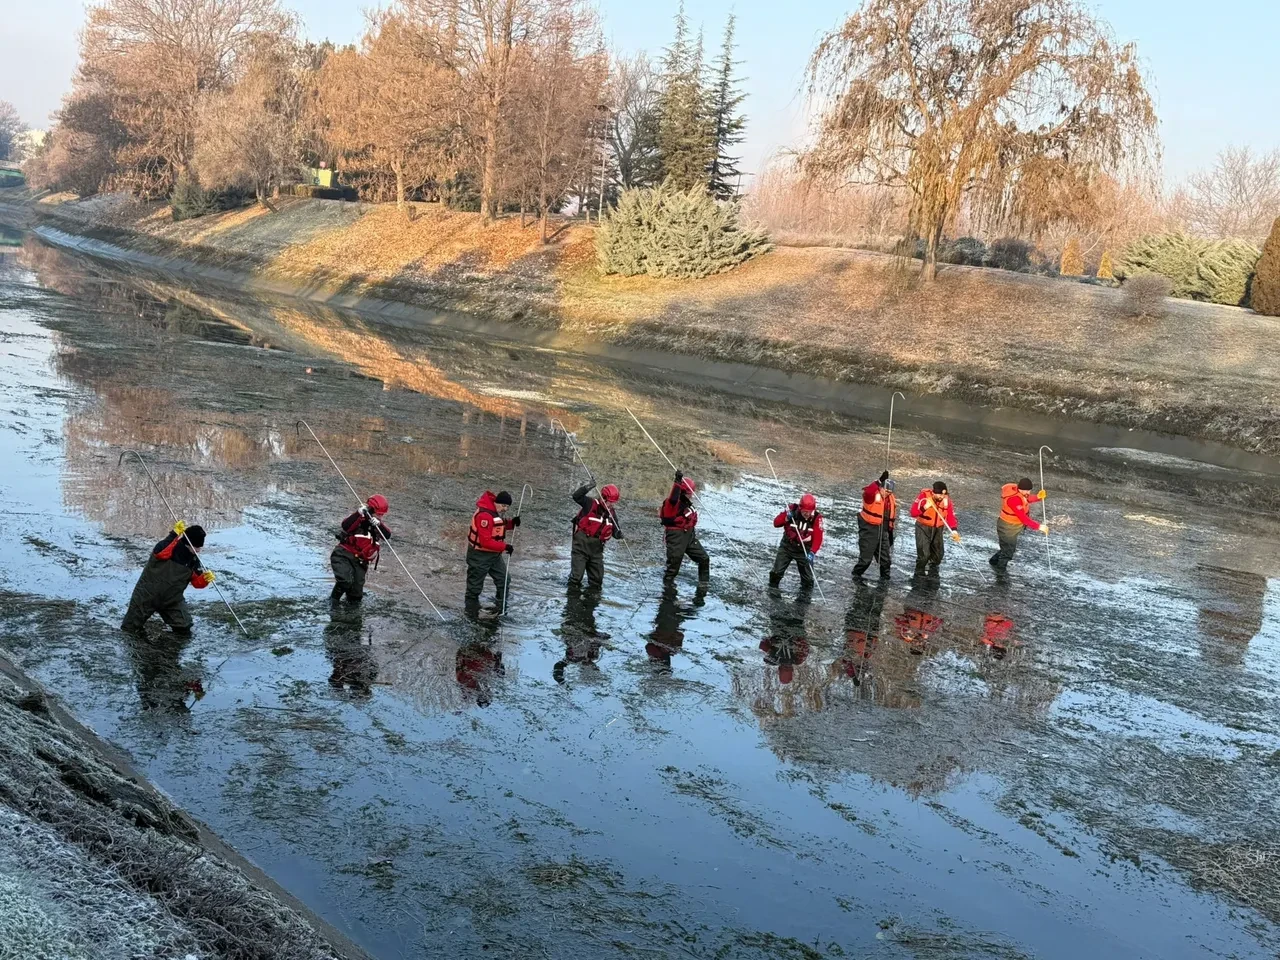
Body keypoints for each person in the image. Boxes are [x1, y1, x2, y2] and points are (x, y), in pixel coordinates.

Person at [121, 521, 214, 635]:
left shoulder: (194, 560)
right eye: (196, 547)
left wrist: (205, 579)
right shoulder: (169, 546)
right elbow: (160, 553)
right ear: (188, 543)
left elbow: (196, 583)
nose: (198, 550)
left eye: (200, 547)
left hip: (172, 600)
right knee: (129, 629)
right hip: (146, 595)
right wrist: (174, 534)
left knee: (184, 627)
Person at [330, 495, 392, 605]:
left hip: (361, 563)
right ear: (371, 509)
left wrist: (379, 524)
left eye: (382, 515)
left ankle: (352, 616)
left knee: (356, 596)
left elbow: (387, 535)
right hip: (343, 556)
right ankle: (333, 603)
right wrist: (359, 513)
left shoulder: (377, 525)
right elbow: (345, 526)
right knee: (345, 581)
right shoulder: (358, 519)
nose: (380, 517)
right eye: (378, 514)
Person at [465, 490, 518, 610]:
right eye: (503, 505)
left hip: (493, 555)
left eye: (507, 507)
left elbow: (497, 525)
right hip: (479, 555)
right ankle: (471, 612)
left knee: (504, 580)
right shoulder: (484, 516)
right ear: (496, 502)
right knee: (474, 588)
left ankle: (501, 605)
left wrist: (512, 523)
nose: (505, 509)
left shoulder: (492, 512)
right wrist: (505, 547)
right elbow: (486, 542)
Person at [569, 483, 624, 591]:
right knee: (576, 577)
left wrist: (618, 534)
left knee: (597, 580)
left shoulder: (611, 513)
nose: (611, 505)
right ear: (603, 497)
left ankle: (591, 602)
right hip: (581, 545)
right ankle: (572, 598)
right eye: (609, 502)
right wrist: (588, 487)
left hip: (597, 550)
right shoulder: (589, 503)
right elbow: (576, 496)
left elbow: (615, 530)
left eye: (613, 503)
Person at [659, 471, 709, 584]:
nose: (691, 495)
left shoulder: (687, 503)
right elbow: (673, 497)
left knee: (704, 558)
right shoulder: (672, 503)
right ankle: (667, 593)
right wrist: (677, 482)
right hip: (676, 538)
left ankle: (704, 584)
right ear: (682, 492)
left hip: (689, 536)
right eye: (688, 493)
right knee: (673, 569)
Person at [990, 478, 1048, 572]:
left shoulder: (1020, 493)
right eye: (1027, 490)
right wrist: (1039, 526)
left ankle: (994, 561)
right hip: (1007, 527)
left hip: (1013, 526)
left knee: (1007, 547)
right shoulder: (1013, 500)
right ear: (1021, 489)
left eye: (1029, 490)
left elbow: (1027, 499)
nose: (1029, 492)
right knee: (1008, 551)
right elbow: (1023, 518)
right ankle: (1000, 572)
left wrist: (1038, 497)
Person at [769, 493, 824, 589]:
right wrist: (786, 518)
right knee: (776, 573)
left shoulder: (817, 518)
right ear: (800, 508)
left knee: (808, 581)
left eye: (809, 512)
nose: (807, 514)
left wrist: (812, 552)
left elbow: (818, 538)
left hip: (804, 551)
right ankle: (772, 590)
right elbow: (776, 523)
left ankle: (804, 600)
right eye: (804, 512)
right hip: (787, 546)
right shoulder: (791, 510)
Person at [910, 481, 961, 578]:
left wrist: (954, 530)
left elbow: (950, 516)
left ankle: (932, 572)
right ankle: (919, 573)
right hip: (923, 527)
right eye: (939, 494)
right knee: (924, 554)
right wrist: (925, 507)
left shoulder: (946, 501)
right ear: (933, 492)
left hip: (938, 529)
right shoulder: (923, 497)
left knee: (939, 555)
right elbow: (913, 513)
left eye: (943, 494)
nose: (941, 497)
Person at [852, 471, 897, 580]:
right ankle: (856, 576)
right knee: (865, 560)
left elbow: (890, 518)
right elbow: (869, 491)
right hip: (869, 529)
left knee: (886, 560)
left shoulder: (890, 499)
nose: (887, 494)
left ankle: (885, 580)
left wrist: (889, 534)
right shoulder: (871, 495)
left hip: (883, 531)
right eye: (886, 491)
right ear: (880, 488)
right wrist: (879, 480)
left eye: (890, 492)